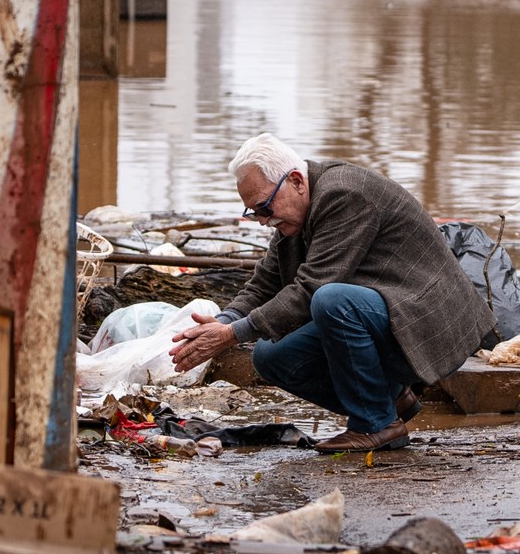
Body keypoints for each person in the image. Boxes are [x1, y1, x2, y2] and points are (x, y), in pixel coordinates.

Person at [170, 134, 496, 452]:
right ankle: (389, 401)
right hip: (392, 311)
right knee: (270, 356)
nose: (262, 222)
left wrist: (231, 334)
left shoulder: (344, 195)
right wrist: (221, 323)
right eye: (254, 213)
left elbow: (312, 287)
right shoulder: (294, 213)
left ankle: (376, 424)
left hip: (429, 322)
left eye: (264, 208)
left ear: (297, 181)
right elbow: (263, 285)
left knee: (330, 300)